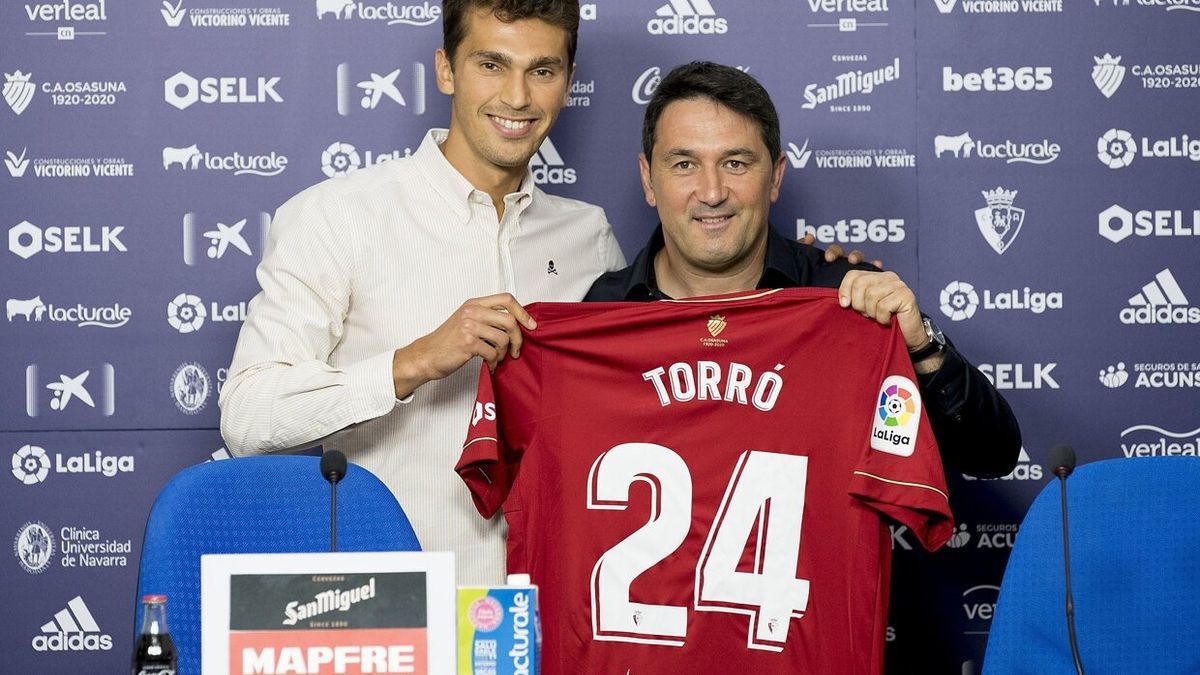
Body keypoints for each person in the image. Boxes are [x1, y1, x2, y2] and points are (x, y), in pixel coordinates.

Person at [219, 0, 627, 585]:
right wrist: (412, 363)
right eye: (491, 64)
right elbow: (247, 417)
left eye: (542, 71)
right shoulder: (336, 217)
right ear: (445, 70)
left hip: (547, 611)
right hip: (388, 608)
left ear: (567, 84)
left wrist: (804, 274)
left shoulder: (589, 235)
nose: (517, 97)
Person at [585, 61, 1021, 477]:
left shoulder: (848, 300)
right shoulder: (599, 313)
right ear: (648, 179)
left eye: (736, 163)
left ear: (774, 178)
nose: (712, 191)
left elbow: (992, 455)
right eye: (684, 165)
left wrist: (920, 348)